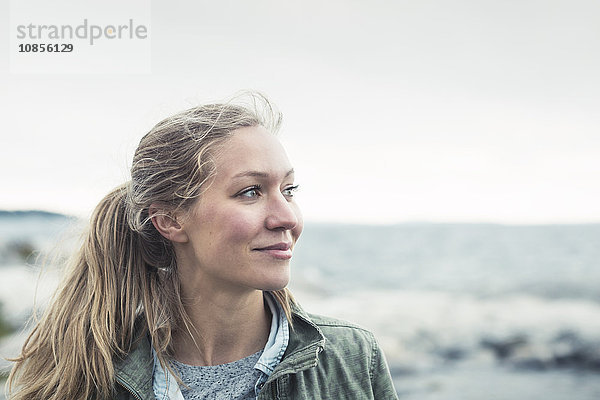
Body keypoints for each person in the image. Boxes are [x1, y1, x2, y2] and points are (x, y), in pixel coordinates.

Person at [7, 92, 399, 400]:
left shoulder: (351, 357)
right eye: (250, 192)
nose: (288, 218)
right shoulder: (91, 377)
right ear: (170, 220)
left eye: (289, 189)